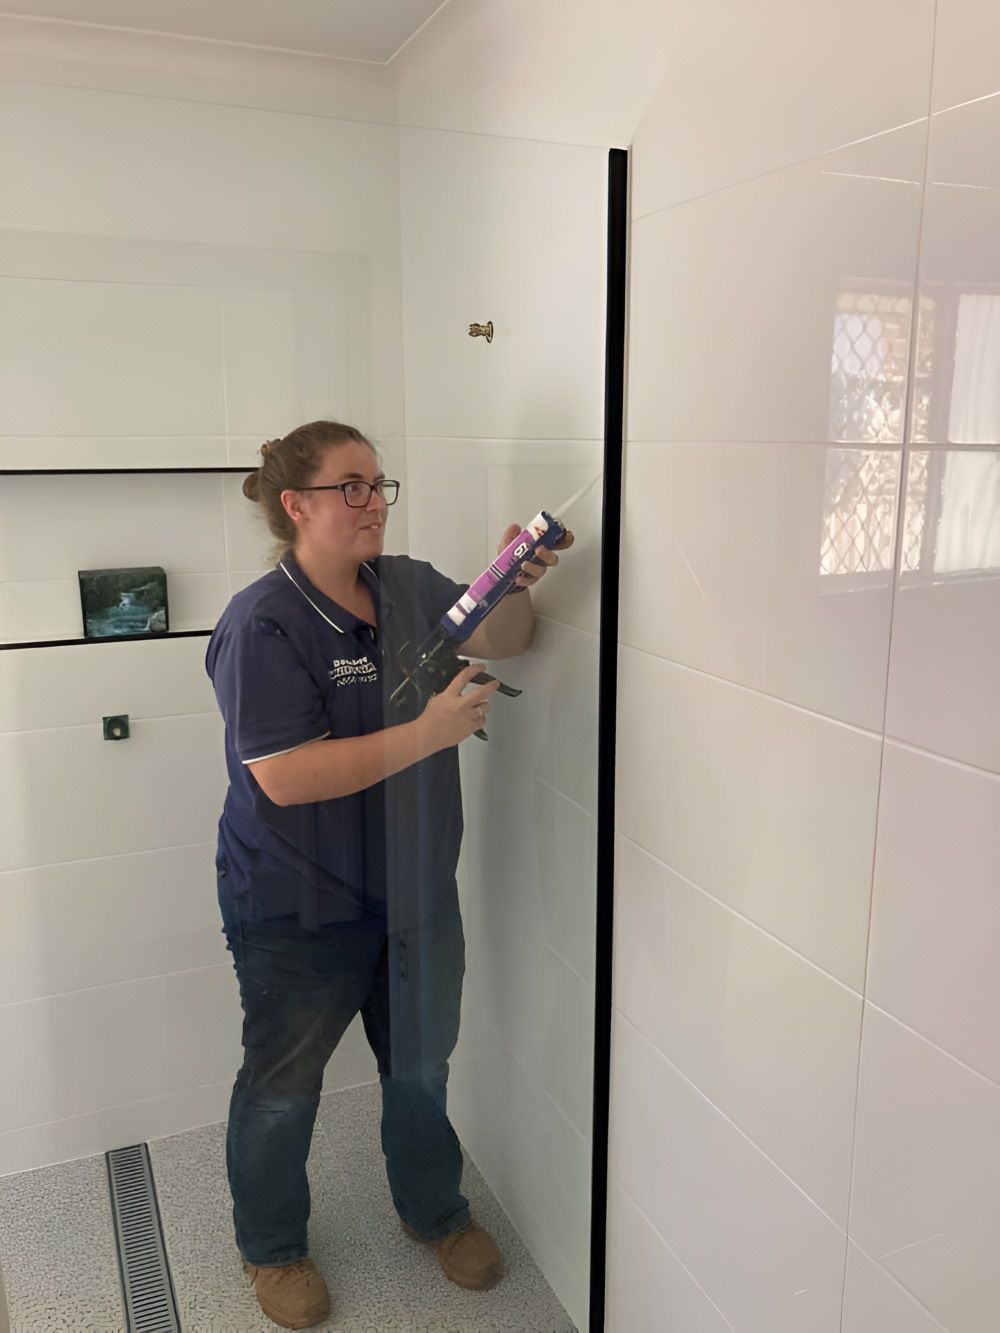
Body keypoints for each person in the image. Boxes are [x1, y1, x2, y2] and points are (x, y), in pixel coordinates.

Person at [206, 420, 573, 1330]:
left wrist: (512, 580)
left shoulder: (406, 584)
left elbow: (508, 637)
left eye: (378, 484)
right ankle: (272, 1246)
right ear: (296, 505)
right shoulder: (263, 622)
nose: (374, 502)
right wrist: (428, 733)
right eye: (351, 486)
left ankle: (435, 1211)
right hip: (296, 904)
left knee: (419, 1067)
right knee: (284, 1087)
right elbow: (284, 776)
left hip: (414, 890)